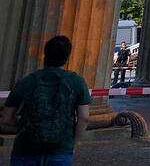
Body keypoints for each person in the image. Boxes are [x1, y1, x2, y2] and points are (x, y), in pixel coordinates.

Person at [1, 36, 91, 166]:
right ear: (67, 57)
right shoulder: (76, 82)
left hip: (26, 149)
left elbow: (6, 119)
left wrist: (27, 125)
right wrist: (74, 142)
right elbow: (84, 118)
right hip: (61, 149)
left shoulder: (27, 81)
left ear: (44, 54)